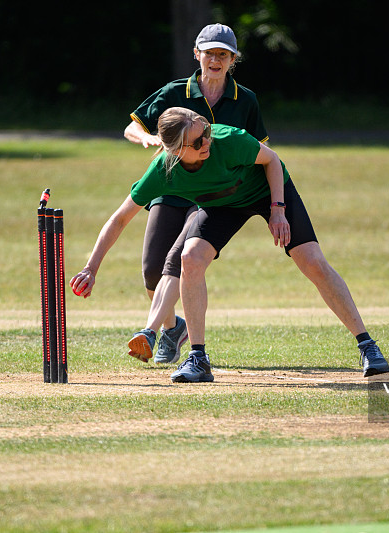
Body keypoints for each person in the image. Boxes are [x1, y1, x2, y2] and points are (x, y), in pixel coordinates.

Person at [71, 107, 389, 383]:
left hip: (267, 191)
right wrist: (92, 266)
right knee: (191, 258)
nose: (206, 141)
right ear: (175, 150)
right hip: (222, 204)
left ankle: (367, 346)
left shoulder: (228, 141)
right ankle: (198, 358)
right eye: (197, 141)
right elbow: (120, 219)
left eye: (206, 132)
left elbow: (273, 161)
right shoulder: (162, 173)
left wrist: (278, 211)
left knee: (311, 261)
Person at [122, 23, 268, 364]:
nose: (215, 60)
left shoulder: (245, 99)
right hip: (173, 187)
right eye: (209, 52)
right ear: (196, 54)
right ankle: (174, 328)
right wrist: (146, 138)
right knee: (151, 275)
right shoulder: (175, 92)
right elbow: (132, 125)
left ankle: (155, 333)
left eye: (223, 54)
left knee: (179, 261)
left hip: (214, 195)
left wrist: (264, 202)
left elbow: (260, 150)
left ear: (233, 59)